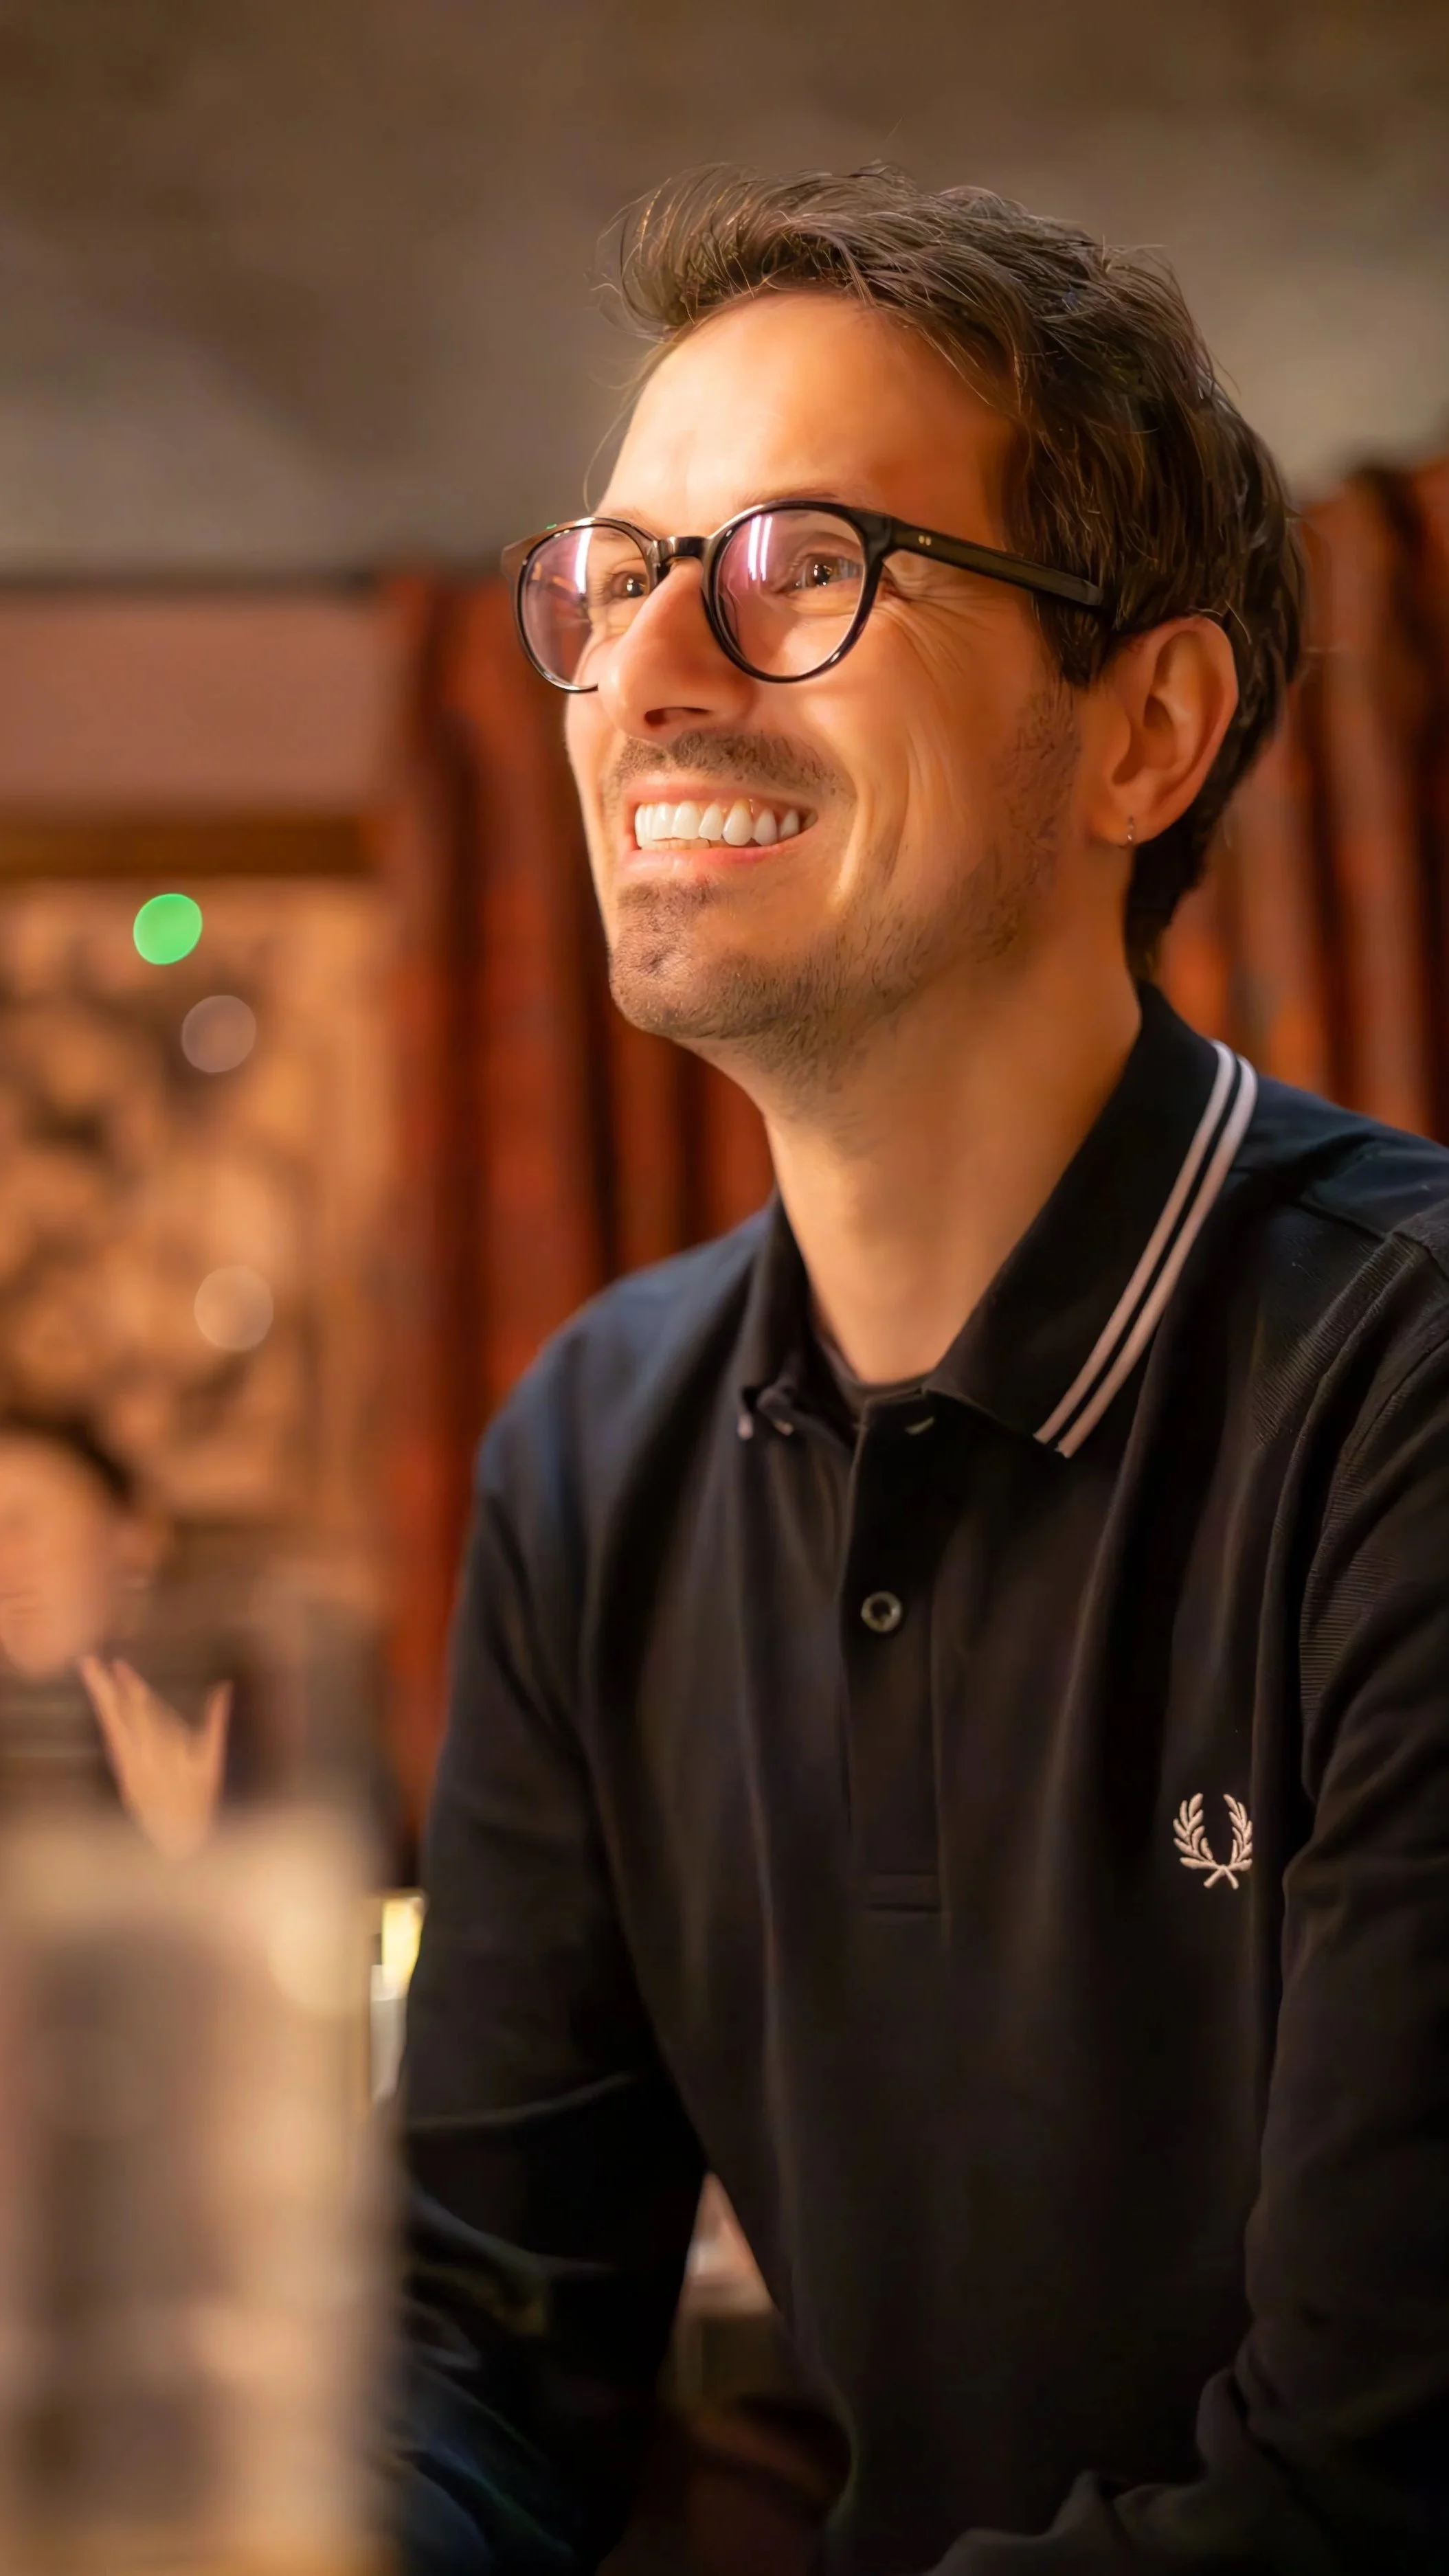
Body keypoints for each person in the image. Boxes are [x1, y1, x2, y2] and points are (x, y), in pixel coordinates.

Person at [396, 166, 1449, 2573]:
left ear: (1142, 730)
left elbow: (1364, 2489)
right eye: (613, 578)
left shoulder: (1396, 1390)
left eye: (799, 566)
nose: (645, 674)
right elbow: (477, 2330)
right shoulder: (596, 1442)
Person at [0, 1412, 231, 1857]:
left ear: (135, 1535)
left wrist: (189, 1848)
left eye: (21, 1525)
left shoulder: (255, 1703)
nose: (3, 1564)